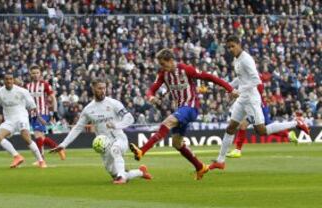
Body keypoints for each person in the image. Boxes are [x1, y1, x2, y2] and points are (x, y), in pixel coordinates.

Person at [129, 48, 239, 180]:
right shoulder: (163, 73)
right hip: (180, 109)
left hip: (191, 107)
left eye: (163, 64)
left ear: (170, 60)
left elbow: (210, 77)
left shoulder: (186, 69)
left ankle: (142, 150)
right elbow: (152, 89)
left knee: (167, 122)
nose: (162, 67)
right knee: (177, 143)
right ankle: (200, 167)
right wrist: (151, 97)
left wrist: (230, 89)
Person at [209, 35, 310, 170]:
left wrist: (237, 90)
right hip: (242, 98)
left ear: (239, 44)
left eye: (233, 46)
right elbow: (241, 79)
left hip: (251, 99)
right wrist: (228, 86)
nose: (231, 49)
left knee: (261, 131)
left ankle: (296, 122)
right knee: (231, 127)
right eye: (229, 47)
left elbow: (256, 80)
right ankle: (220, 161)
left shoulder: (246, 60)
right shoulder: (236, 59)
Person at [50, 78, 152, 184]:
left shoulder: (114, 103)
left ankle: (122, 178)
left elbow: (129, 118)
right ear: (93, 89)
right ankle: (140, 172)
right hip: (104, 145)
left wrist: (116, 125)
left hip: (119, 139)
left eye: (104, 88)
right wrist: (63, 144)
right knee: (114, 174)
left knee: (115, 149)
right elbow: (78, 128)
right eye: (100, 88)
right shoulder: (88, 109)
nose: (103, 91)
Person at [227, 83, 298, 158]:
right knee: (243, 125)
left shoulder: (254, 79)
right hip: (253, 106)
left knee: (265, 128)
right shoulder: (249, 78)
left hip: (258, 107)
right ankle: (237, 150)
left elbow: (259, 90)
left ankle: (289, 131)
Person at [0, 73, 47, 168]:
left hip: (21, 117)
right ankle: (17, 156)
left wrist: (39, 117)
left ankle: (41, 161)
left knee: (26, 138)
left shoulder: (22, 91)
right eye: (7, 79)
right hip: (9, 120)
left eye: (10, 79)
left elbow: (32, 106)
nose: (9, 81)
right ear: (4, 81)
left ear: (13, 80)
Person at [26, 65, 66, 163]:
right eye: (33, 73)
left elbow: (53, 98)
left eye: (37, 73)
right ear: (30, 74)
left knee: (37, 135)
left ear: (40, 74)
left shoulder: (44, 84)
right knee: (41, 137)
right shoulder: (27, 86)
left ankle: (41, 159)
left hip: (43, 113)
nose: (35, 75)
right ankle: (57, 148)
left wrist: (55, 112)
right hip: (32, 114)